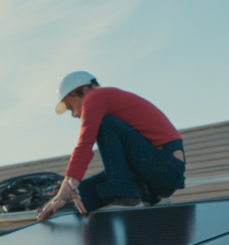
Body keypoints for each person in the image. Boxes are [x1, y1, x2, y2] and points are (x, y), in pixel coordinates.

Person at [37, 71, 186, 221]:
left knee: (103, 122)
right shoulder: (111, 102)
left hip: (166, 167)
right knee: (82, 196)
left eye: (71, 106)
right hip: (157, 171)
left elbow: (84, 146)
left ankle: (125, 194)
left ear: (84, 90)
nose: (74, 114)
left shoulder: (95, 96)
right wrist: (62, 196)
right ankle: (149, 196)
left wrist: (63, 192)